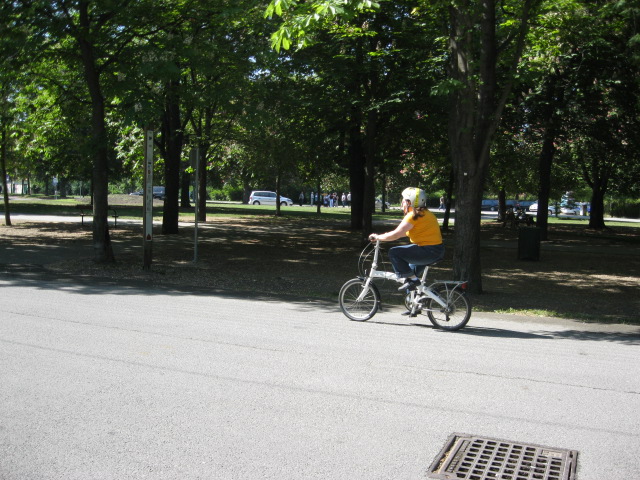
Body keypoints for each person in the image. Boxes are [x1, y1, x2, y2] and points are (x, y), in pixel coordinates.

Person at [368, 187, 444, 292]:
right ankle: (415, 305)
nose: (402, 202)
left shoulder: (413, 216)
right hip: (434, 250)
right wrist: (383, 236)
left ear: (410, 201)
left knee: (394, 253)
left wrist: (378, 237)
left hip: (428, 251)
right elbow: (403, 232)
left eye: (404, 200)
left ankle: (413, 281)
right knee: (410, 278)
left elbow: (396, 235)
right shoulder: (426, 214)